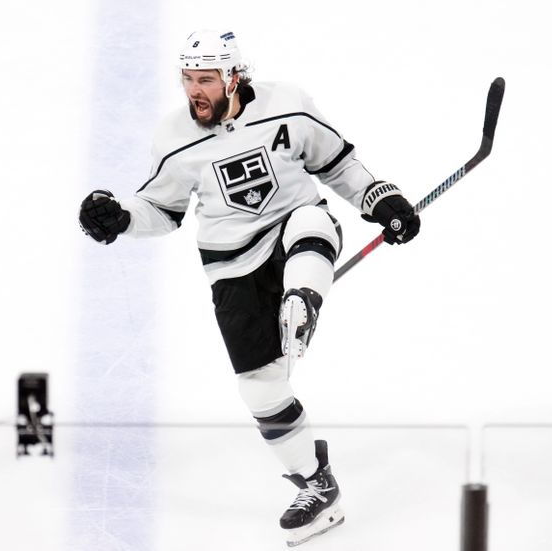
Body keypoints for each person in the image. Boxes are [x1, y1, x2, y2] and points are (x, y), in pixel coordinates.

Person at [79, 29, 420, 547]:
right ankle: (316, 483)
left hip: (294, 232)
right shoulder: (174, 136)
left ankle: (301, 299)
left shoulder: (289, 105)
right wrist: (122, 218)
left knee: (309, 220)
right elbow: (163, 210)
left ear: (235, 77)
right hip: (231, 267)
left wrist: (379, 197)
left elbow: (337, 164)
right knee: (259, 388)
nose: (195, 91)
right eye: (188, 79)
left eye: (206, 79)